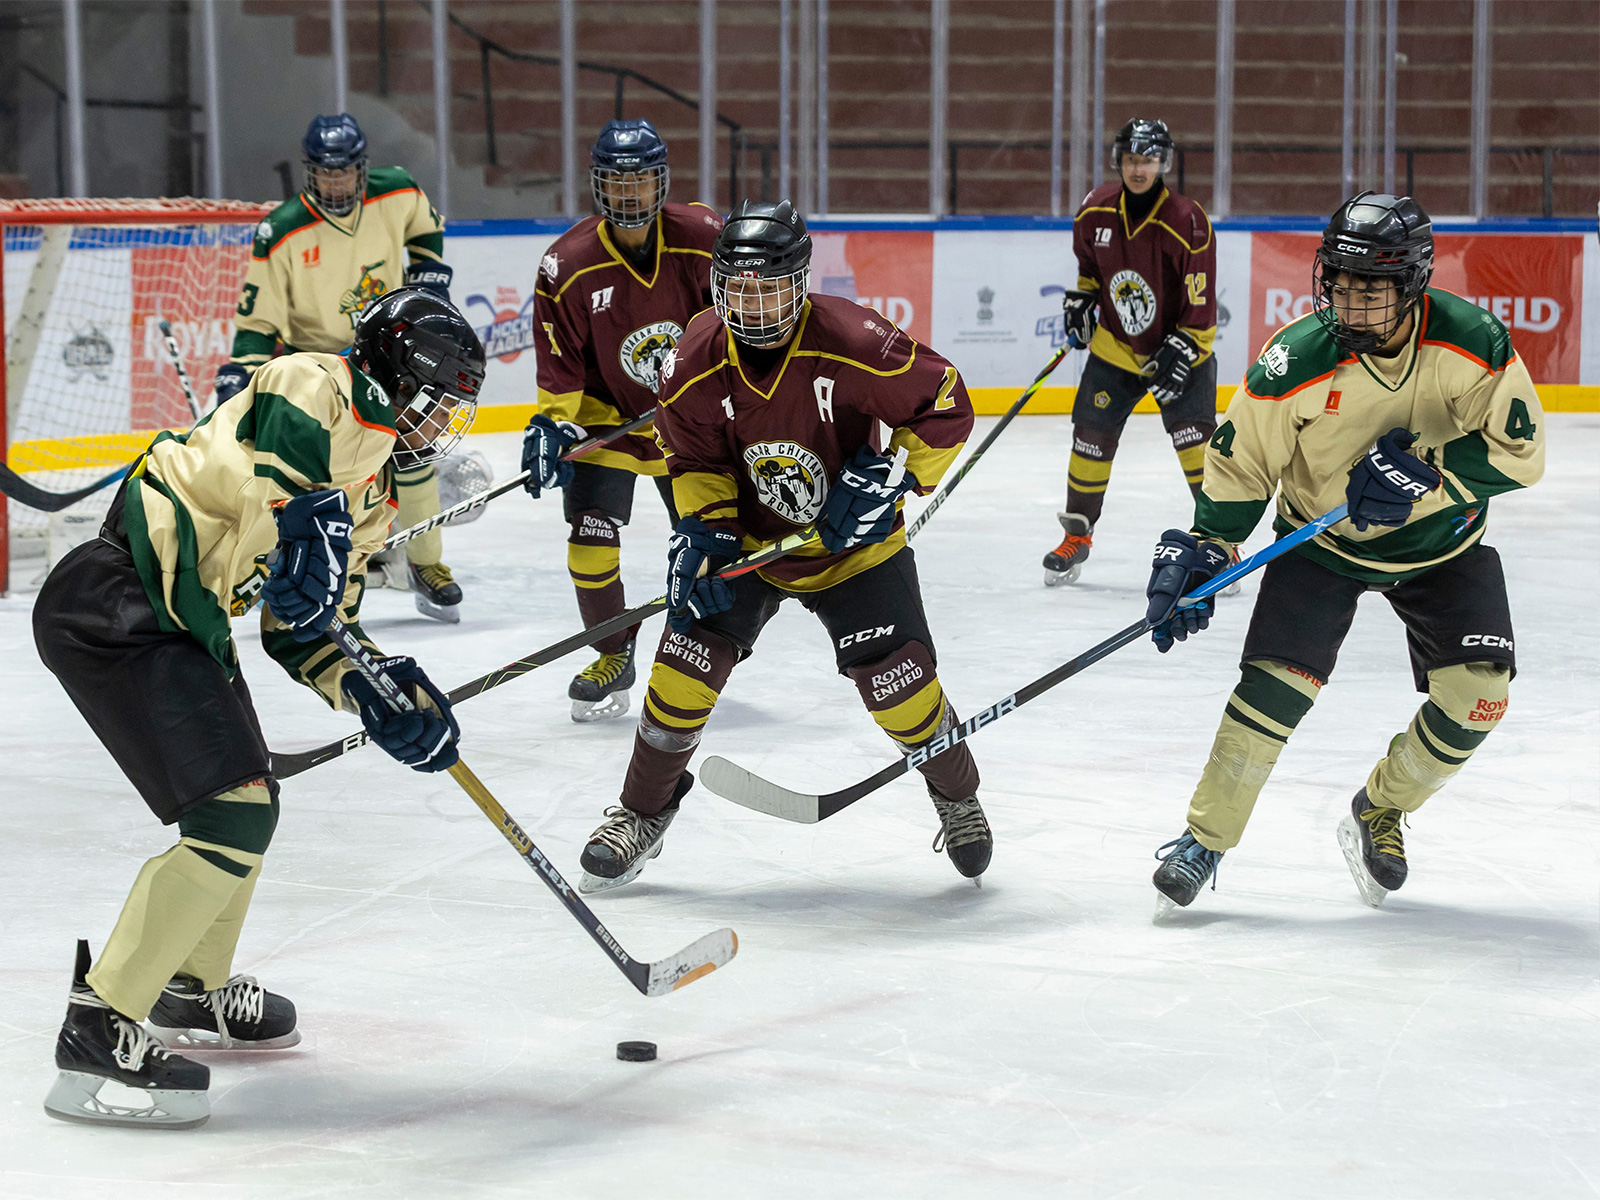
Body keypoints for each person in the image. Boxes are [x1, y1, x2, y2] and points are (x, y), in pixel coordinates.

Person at [34, 288, 483, 1129]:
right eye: (445, 398)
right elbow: (270, 486)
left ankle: (189, 989)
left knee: (250, 801)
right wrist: (299, 520)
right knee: (232, 818)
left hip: (180, 622)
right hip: (121, 602)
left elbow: (305, 629)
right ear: (405, 375)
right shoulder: (315, 383)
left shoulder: (372, 495)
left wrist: (380, 691)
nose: (447, 420)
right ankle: (99, 1024)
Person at [572, 200, 992, 894]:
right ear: (718, 286)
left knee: (902, 692)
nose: (755, 304)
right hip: (750, 548)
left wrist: (893, 475)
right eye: (740, 288)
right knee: (681, 671)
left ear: (799, 283)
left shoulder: (855, 337)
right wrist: (703, 535)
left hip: (852, 550)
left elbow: (945, 402)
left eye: (769, 287)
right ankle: (640, 813)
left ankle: (957, 795)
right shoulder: (693, 358)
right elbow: (694, 458)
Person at [1142, 192, 1545, 911]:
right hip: (1322, 543)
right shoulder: (1294, 360)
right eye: (1341, 285)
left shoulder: (1472, 341)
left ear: (1413, 284)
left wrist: (1428, 478)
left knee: (1481, 697)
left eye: (1372, 291)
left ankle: (1380, 809)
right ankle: (1204, 838)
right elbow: (1242, 467)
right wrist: (1208, 549)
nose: (1350, 306)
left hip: (1442, 547)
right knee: (1271, 693)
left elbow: (1523, 452)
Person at [215, 112, 467, 623]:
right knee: (309, 472)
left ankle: (425, 562)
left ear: (361, 168)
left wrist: (428, 270)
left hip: (388, 350)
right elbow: (259, 318)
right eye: (327, 172)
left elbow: (426, 225)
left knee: (412, 451)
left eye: (345, 170)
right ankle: (286, 562)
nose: (337, 181)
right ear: (312, 172)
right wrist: (242, 367)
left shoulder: (395, 190)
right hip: (317, 364)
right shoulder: (281, 230)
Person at [523, 119, 724, 721]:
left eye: (640, 182)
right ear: (597, 186)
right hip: (606, 418)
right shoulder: (568, 265)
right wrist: (552, 425)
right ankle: (614, 651)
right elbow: (559, 366)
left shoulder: (704, 238)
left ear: (662, 182)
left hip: (685, 423)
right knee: (588, 542)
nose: (630, 195)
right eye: (617, 182)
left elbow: (736, 331)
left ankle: (698, 654)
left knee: (707, 543)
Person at [1045, 117, 1218, 586]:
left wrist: (1182, 346)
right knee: (1090, 439)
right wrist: (1082, 300)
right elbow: (1090, 272)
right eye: (1130, 160)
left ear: (1163, 162)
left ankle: (1220, 543)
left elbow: (1201, 304)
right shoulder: (1095, 209)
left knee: (1197, 448)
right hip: (1116, 350)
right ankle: (1077, 536)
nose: (1138, 169)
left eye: (1147, 160)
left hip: (1180, 352)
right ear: (1118, 162)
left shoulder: (1188, 221)